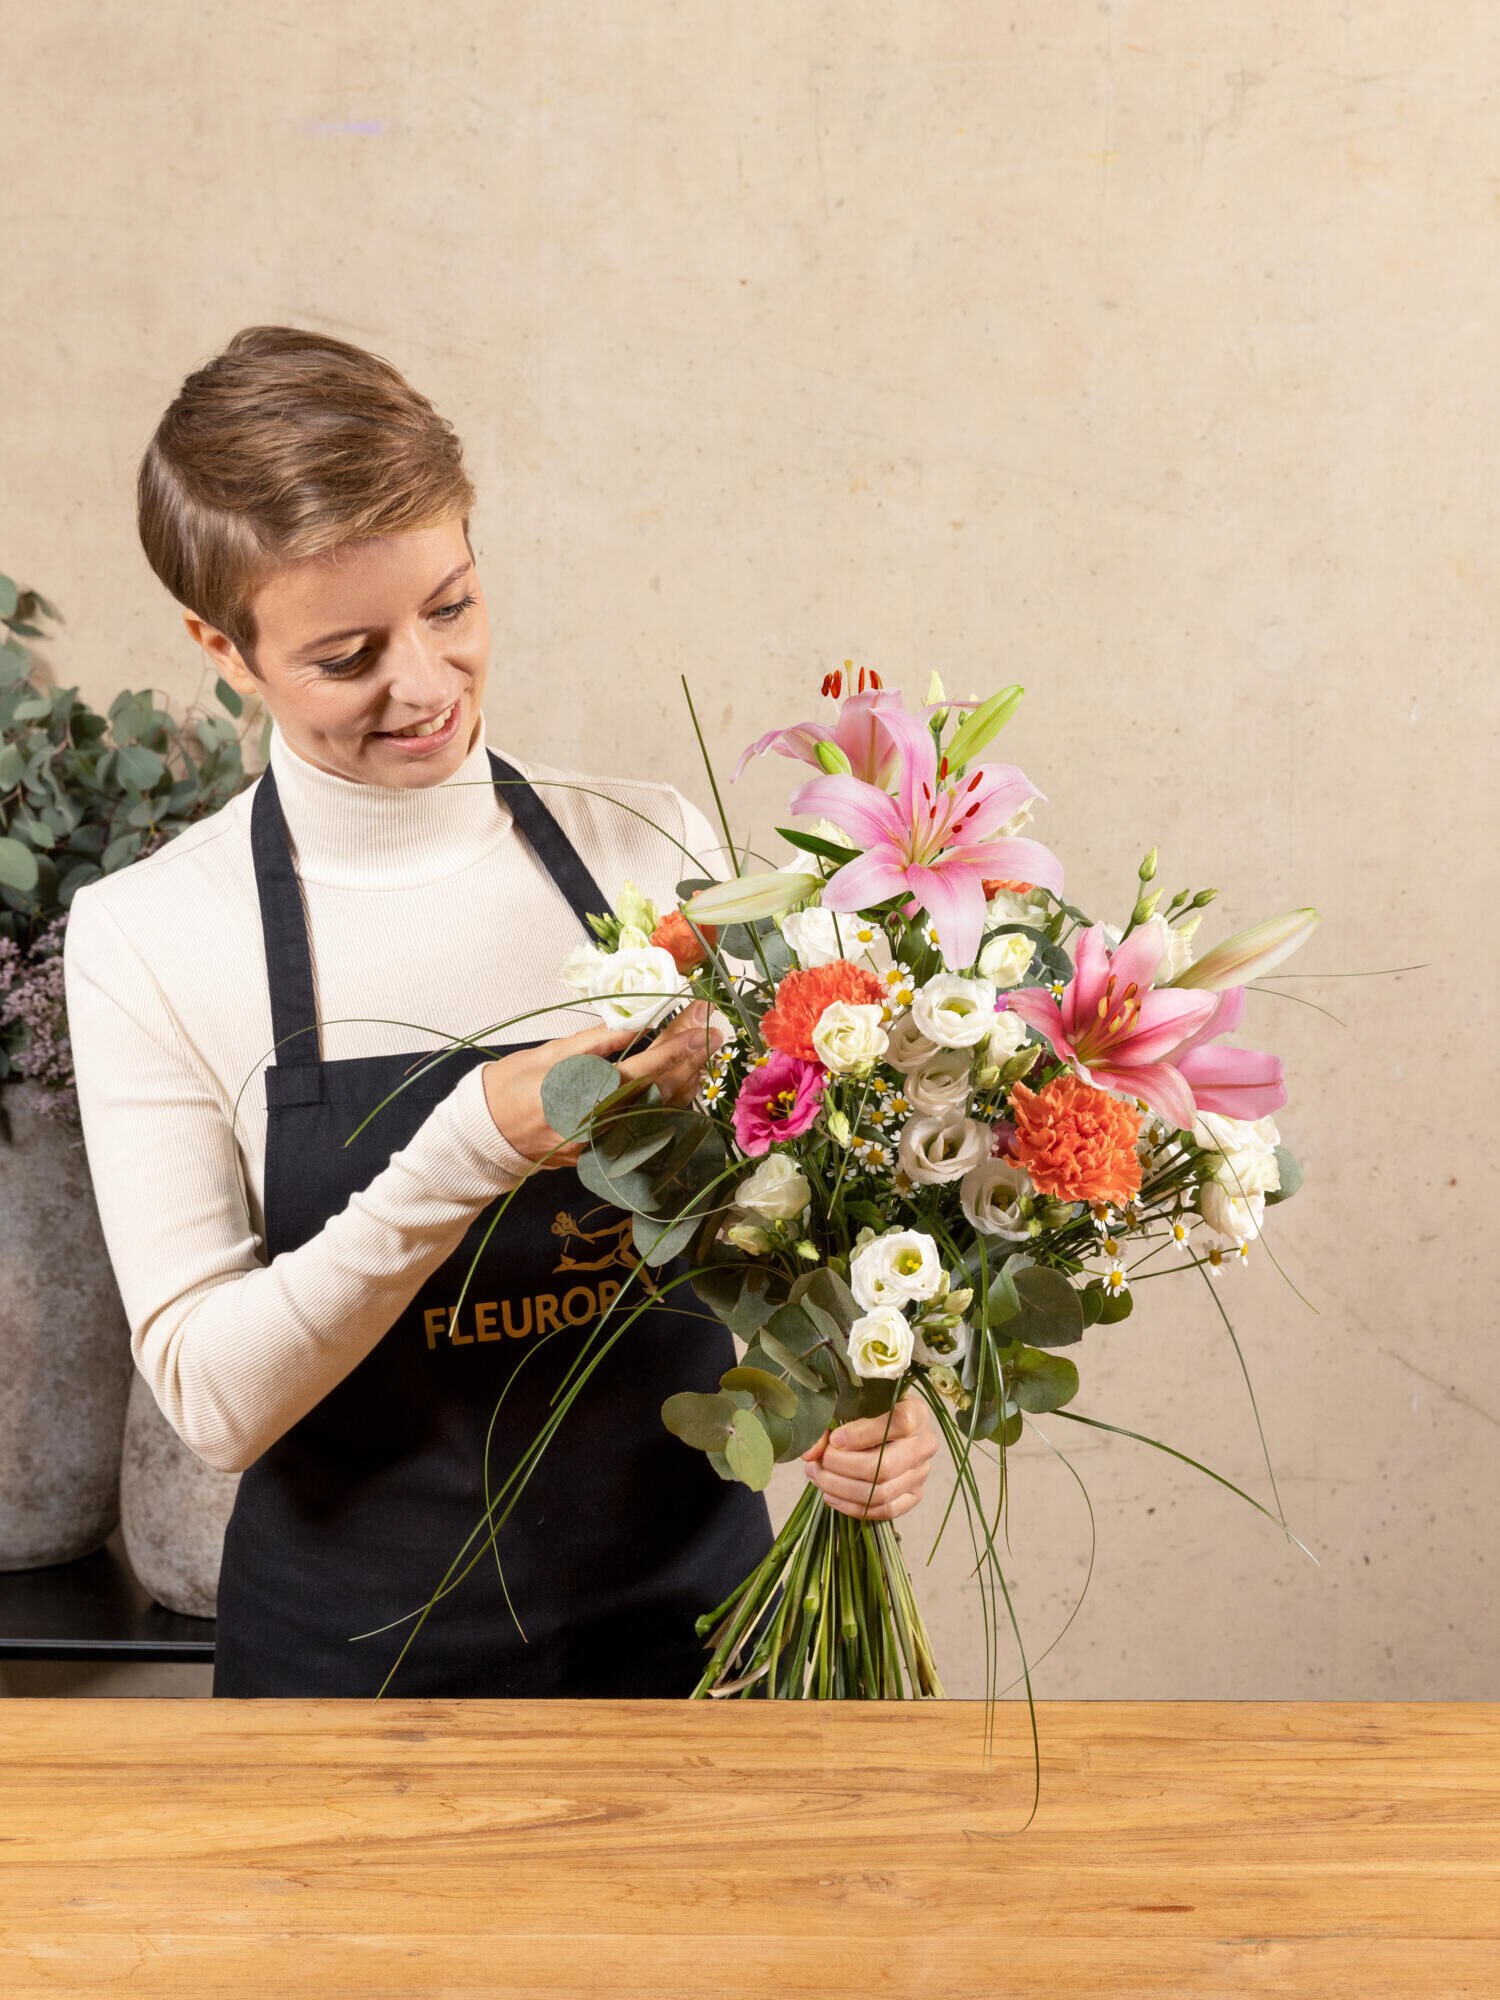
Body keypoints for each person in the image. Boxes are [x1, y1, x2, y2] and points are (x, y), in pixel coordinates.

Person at [64, 326, 937, 1698]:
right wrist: (472, 1142)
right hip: (349, 1705)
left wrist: (851, 1386)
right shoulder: (152, 935)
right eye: (346, 654)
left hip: (703, 1662)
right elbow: (213, 1401)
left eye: (453, 607)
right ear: (221, 648)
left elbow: (764, 1234)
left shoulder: (647, 845)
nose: (423, 686)